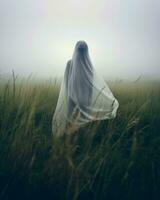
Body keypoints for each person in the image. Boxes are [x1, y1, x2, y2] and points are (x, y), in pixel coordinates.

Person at [52, 40, 119, 136]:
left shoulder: (72, 64)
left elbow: (68, 83)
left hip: (74, 99)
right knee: (80, 124)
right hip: (83, 100)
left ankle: (72, 140)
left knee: (73, 123)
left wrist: (71, 97)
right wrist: (88, 99)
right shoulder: (87, 66)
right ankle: (78, 139)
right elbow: (90, 87)